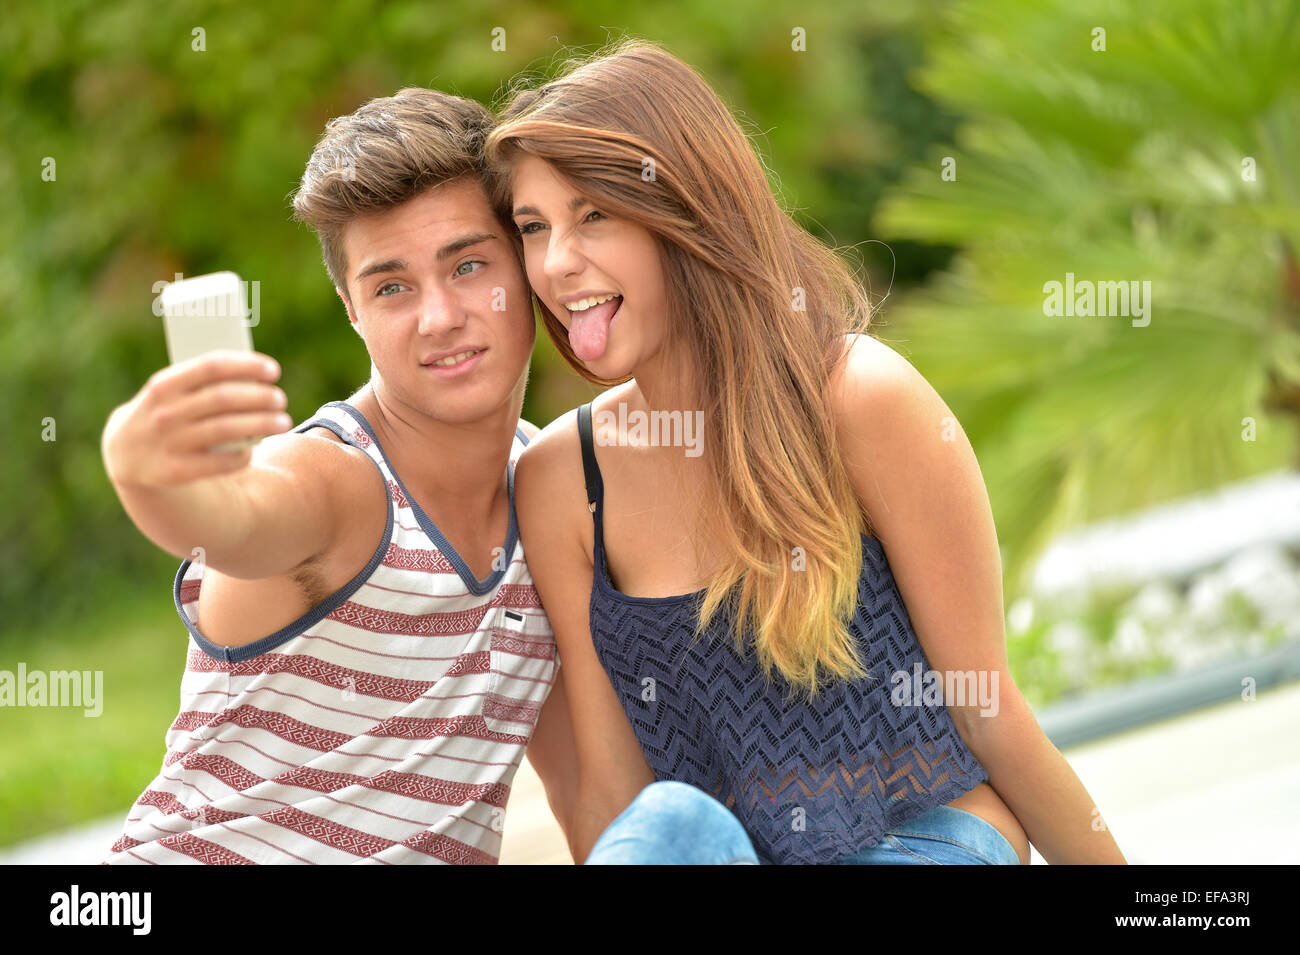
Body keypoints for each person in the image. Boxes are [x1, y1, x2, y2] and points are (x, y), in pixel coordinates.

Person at [488, 39, 1128, 864]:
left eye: (594, 215)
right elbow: (618, 799)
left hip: (924, 836)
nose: (557, 263)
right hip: (727, 851)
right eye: (533, 228)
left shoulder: (861, 400)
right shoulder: (562, 479)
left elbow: (988, 707)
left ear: (688, 211)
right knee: (670, 822)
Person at [99, 87, 578, 864]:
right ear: (350, 308)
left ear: (524, 265)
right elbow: (235, 516)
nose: (439, 316)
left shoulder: (551, 495)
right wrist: (143, 470)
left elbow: (584, 790)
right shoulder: (335, 480)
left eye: (467, 265)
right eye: (392, 286)